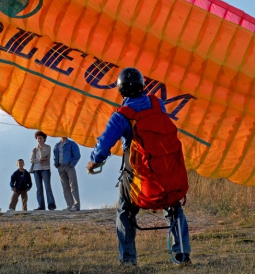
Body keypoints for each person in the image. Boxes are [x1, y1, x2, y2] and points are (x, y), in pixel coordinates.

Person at [87, 67, 191, 266]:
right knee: (175, 208)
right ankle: (183, 254)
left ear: (120, 91)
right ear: (142, 86)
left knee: (124, 211)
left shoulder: (122, 116)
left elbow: (104, 144)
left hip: (142, 180)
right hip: (168, 175)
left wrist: (94, 161)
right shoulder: (157, 104)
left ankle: (128, 259)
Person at [30, 130, 56, 210]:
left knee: (47, 187)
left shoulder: (47, 147)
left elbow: (45, 155)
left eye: (41, 138)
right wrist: (40, 160)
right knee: (39, 188)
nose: (39, 140)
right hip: (36, 170)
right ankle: (41, 206)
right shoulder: (34, 149)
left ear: (44, 139)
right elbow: (32, 160)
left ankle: (51, 205)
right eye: (38, 138)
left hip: (45, 169)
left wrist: (41, 148)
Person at [53, 137, 81, 212]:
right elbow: (55, 155)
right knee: (65, 187)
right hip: (60, 167)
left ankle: (76, 205)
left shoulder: (72, 144)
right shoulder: (57, 145)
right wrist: (56, 164)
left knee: (73, 186)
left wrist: (71, 164)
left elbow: (77, 155)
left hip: (69, 166)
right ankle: (69, 205)